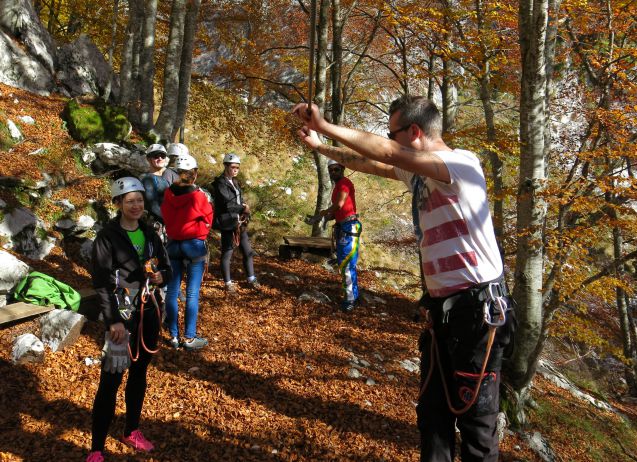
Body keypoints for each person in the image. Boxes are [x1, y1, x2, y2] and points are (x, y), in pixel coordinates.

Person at [293, 96, 515, 462]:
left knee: (477, 426)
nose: (388, 139)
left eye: (392, 132)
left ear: (413, 132)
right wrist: (322, 146)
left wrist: (326, 125)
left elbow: (389, 153)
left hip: (477, 314)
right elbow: (370, 161)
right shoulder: (420, 171)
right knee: (432, 419)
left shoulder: (459, 164)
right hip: (442, 314)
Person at [87, 177, 172, 462]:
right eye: (130, 200)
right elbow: (101, 282)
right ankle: (96, 448)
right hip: (121, 313)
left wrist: (163, 276)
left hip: (147, 311)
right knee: (111, 379)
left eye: (139, 200)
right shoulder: (107, 237)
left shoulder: (150, 234)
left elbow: (167, 267)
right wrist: (114, 321)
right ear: (118, 204)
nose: (136, 205)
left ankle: (131, 429)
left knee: (139, 374)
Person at [161, 153, 213, 350]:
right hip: (194, 246)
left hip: (173, 245)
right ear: (195, 173)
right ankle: (189, 338)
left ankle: (174, 336)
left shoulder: (168, 194)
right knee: (192, 294)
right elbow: (208, 218)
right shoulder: (198, 196)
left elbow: (165, 214)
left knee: (172, 292)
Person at [308, 159, 361, 312]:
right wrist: (324, 217)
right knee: (346, 263)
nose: (333, 173)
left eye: (336, 169)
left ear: (342, 169)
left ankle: (350, 300)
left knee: (346, 264)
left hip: (349, 226)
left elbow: (339, 204)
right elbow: (338, 211)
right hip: (343, 226)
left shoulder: (344, 183)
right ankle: (353, 297)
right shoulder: (338, 185)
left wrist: (324, 213)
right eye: (330, 170)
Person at [211, 152, 259, 293]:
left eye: (237, 167)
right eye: (233, 167)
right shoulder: (220, 183)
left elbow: (236, 201)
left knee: (247, 251)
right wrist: (244, 207)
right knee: (227, 253)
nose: (235, 169)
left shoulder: (235, 182)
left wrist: (243, 208)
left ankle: (251, 278)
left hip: (238, 222)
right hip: (227, 223)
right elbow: (227, 204)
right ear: (225, 166)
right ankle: (228, 283)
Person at [139, 144, 179, 241]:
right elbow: (152, 205)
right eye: (156, 156)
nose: (160, 158)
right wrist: (172, 219)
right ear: (148, 159)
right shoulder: (147, 179)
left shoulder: (165, 177)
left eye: (163, 156)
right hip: (157, 226)